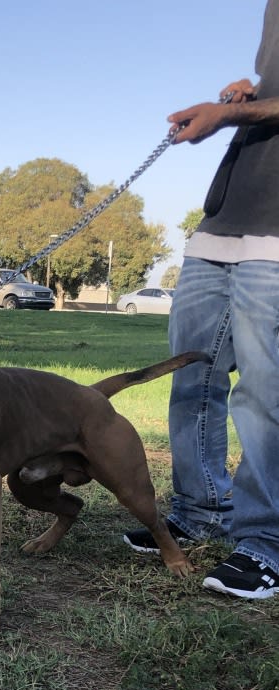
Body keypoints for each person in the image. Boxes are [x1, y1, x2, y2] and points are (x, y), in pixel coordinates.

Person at [124, 0, 279, 600]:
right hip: (223, 224)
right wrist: (250, 95)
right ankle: (198, 509)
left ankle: (263, 542)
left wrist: (230, 112)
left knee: (264, 394)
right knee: (190, 376)